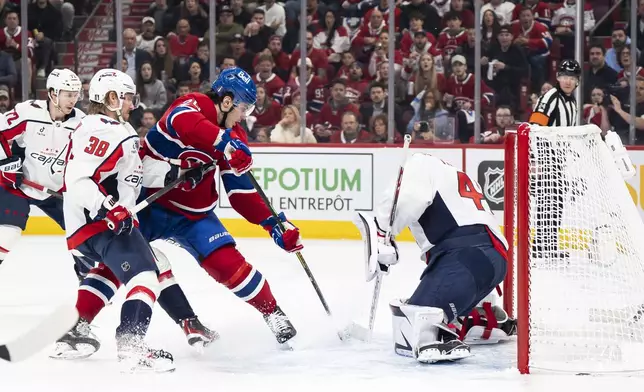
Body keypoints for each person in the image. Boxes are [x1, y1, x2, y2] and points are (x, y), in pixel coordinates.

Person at [65, 67, 303, 346]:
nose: (245, 116)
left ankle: (272, 312)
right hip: (148, 204)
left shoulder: (235, 134)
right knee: (120, 261)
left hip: (193, 214)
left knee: (227, 264)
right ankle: (77, 324)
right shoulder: (193, 105)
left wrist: (273, 223)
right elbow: (183, 121)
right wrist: (223, 142)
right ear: (226, 102)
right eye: (243, 108)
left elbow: (240, 192)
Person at [61, 68, 174, 372]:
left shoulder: (101, 127)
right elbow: (78, 179)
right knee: (146, 276)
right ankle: (131, 345)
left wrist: (175, 174)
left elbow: (129, 176)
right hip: (100, 223)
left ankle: (73, 331)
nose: (131, 104)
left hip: (91, 226)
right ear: (111, 98)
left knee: (106, 272)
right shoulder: (106, 129)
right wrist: (107, 208)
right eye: (126, 98)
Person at [354, 153, 514, 364]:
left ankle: (442, 332)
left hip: (465, 257)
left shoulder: (419, 162)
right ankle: (477, 317)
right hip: (491, 260)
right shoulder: (451, 173)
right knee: (428, 307)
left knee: (416, 321)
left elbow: (409, 197)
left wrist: (382, 231)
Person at [0, 69, 88, 275]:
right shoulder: (28, 112)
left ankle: (88, 277)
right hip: (21, 187)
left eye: (75, 94)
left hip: (58, 192)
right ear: (52, 93)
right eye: (68, 94)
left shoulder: (82, 125)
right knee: (7, 235)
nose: (73, 99)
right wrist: (6, 164)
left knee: (85, 237)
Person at [528, 59, 582, 259]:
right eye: (564, 76)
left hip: (560, 159)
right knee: (547, 200)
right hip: (546, 157)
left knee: (556, 201)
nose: (568, 81)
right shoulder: (551, 97)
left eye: (572, 78)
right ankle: (541, 245)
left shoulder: (572, 101)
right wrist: (537, 159)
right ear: (558, 77)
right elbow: (535, 125)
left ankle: (548, 244)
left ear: (577, 81)